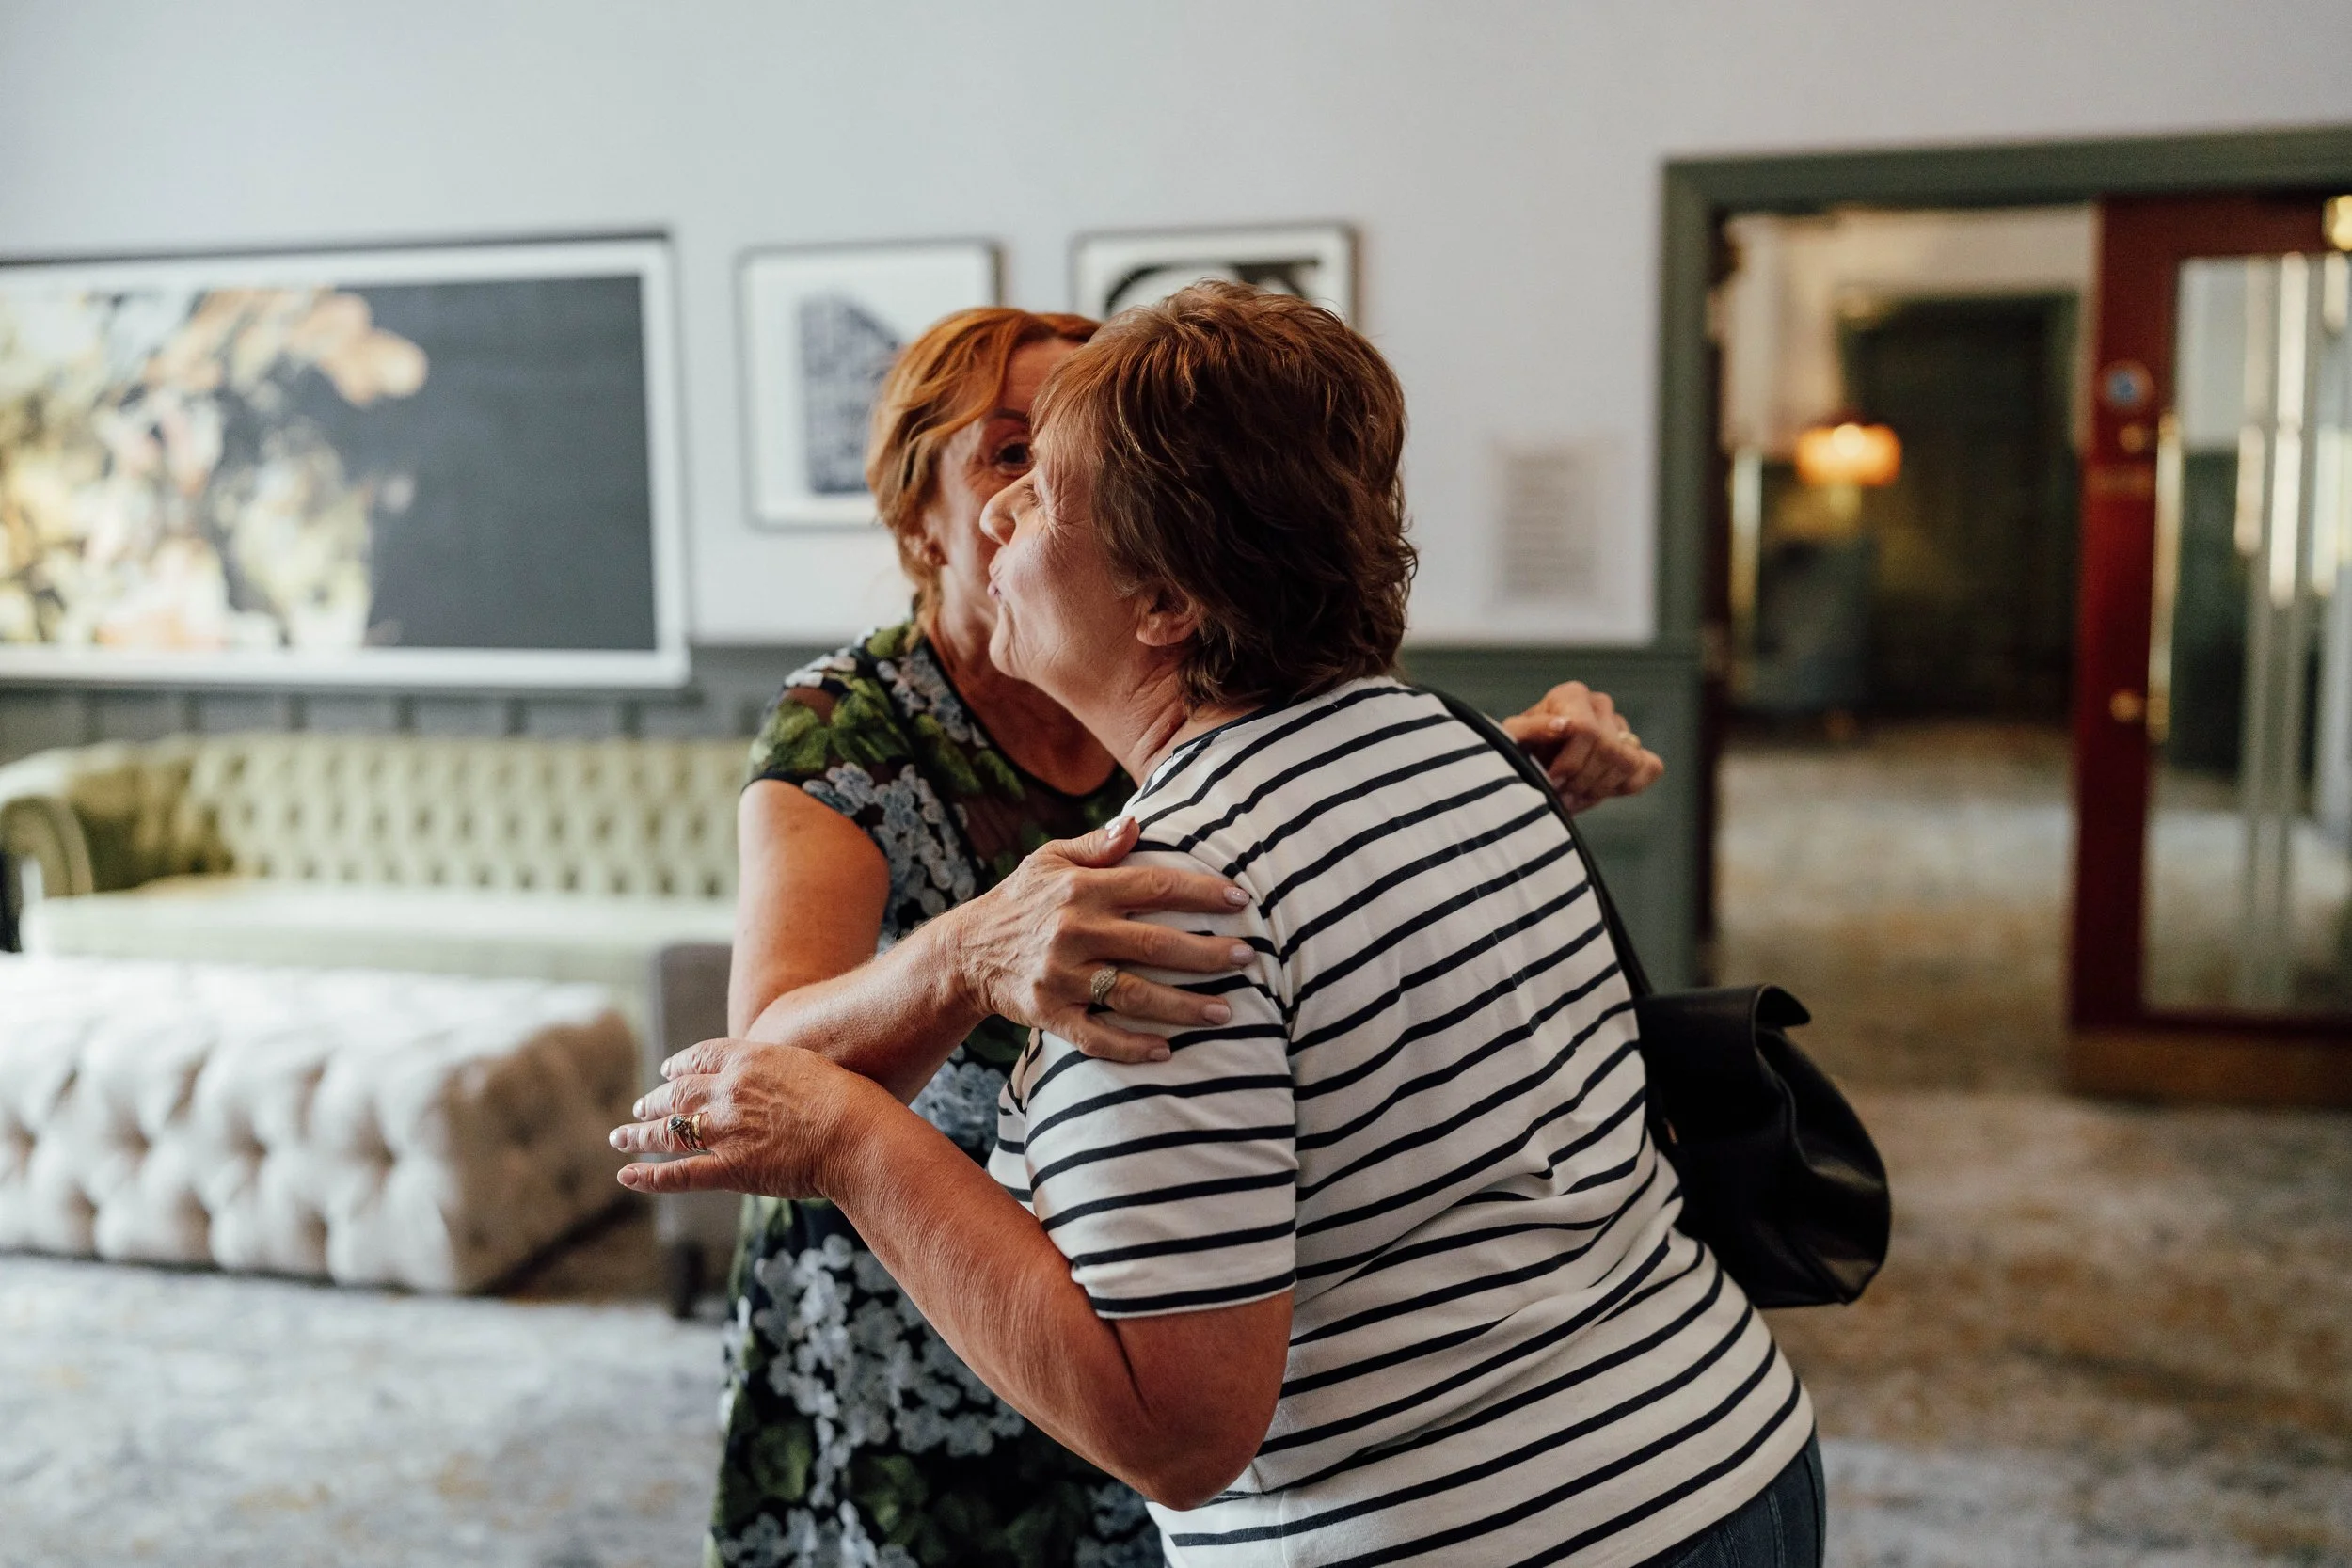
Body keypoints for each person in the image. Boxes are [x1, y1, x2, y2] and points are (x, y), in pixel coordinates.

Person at [617, 285, 1818, 1567]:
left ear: (1168, 597)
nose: (1012, 507)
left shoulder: (1132, 908)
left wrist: (852, 1139)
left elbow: (1179, 1431)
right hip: (1721, 1452)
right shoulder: (1448, 744)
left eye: (1049, 477)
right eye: (1001, 462)